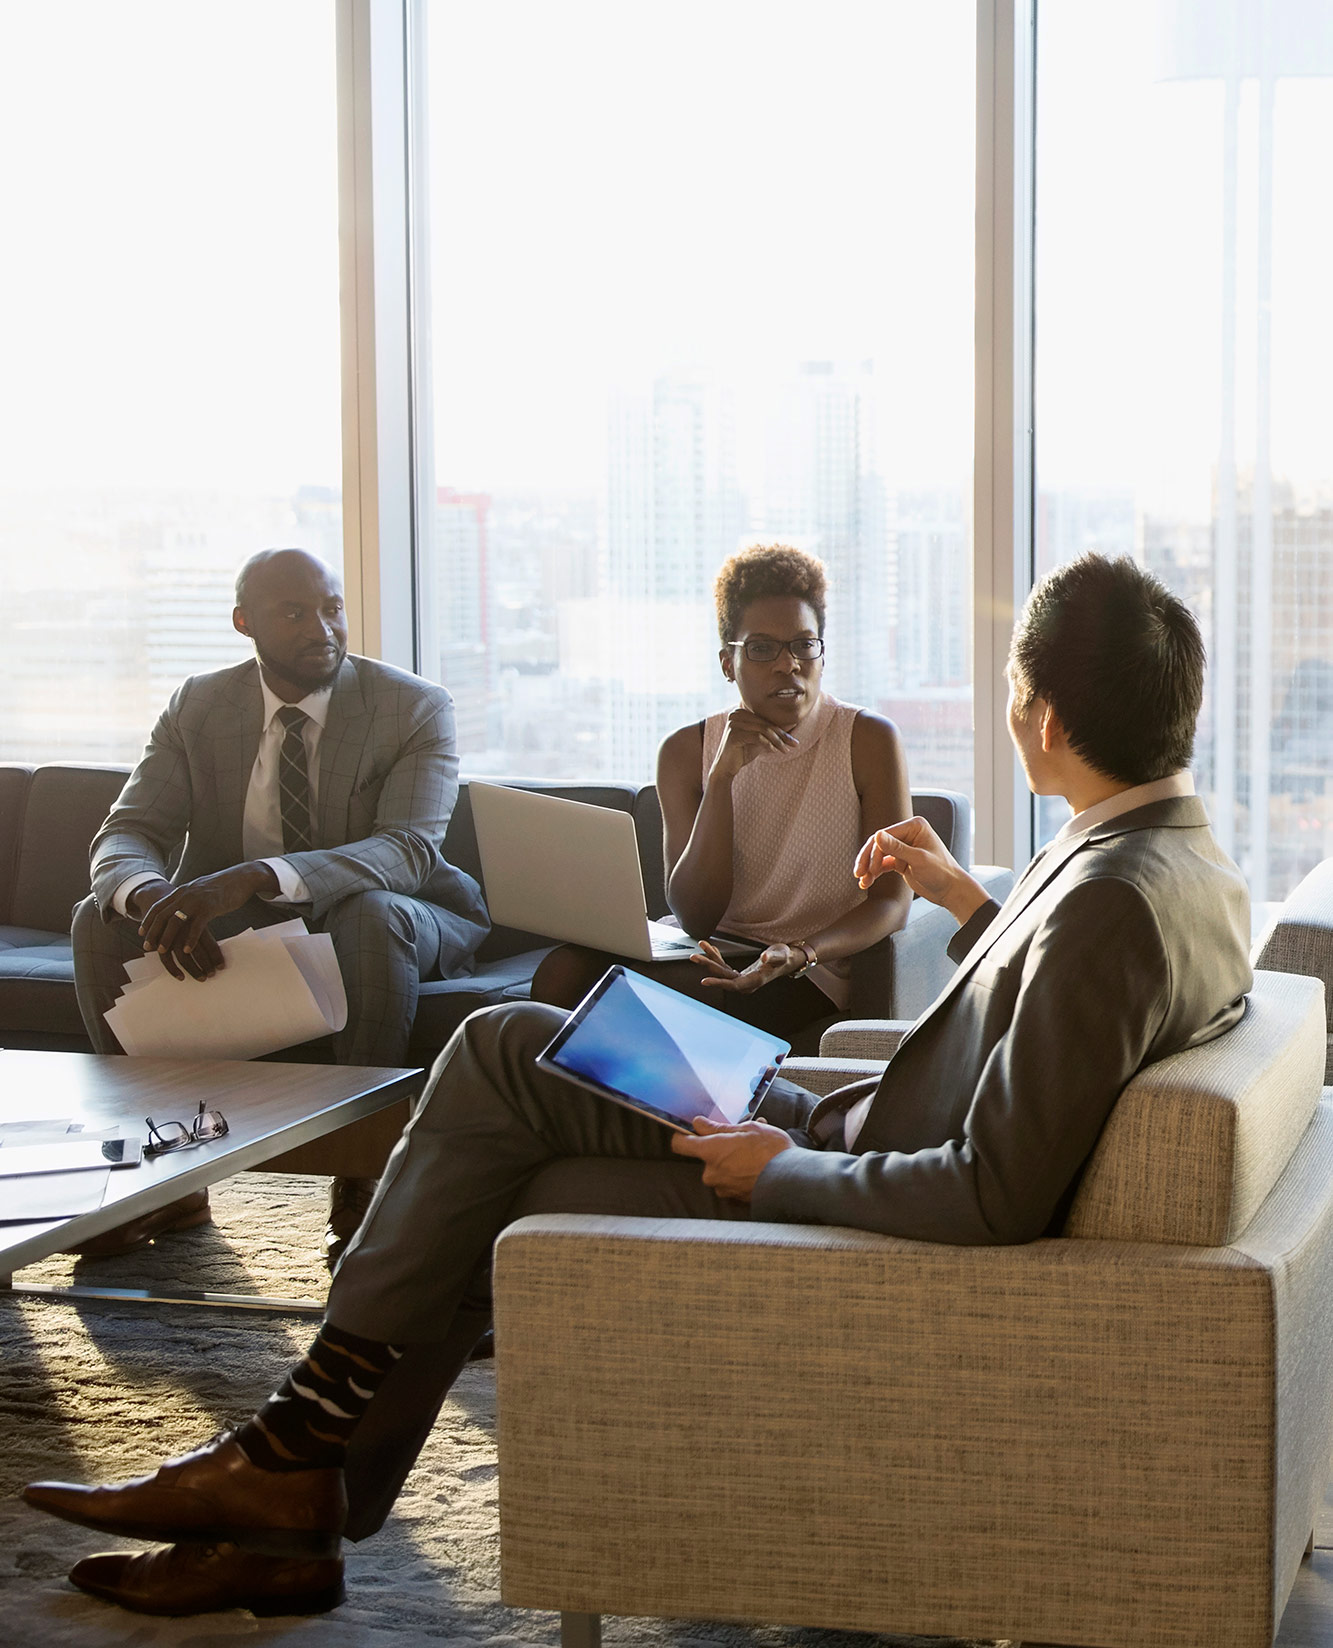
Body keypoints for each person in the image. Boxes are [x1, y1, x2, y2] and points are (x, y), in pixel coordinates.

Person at [26, 552, 1252, 1620]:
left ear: (1036, 712)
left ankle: (292, 1463)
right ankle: (295, 1483)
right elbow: (1050, 1019)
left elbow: (993, 1189)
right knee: (518, 1086)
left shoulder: (1107, 903)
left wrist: (787, 1167)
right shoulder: (1164, 858)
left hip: (831, 1170)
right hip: (817, 1115)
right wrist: (966, 902)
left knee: (504, 1072)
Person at [70, 547, 489, 1267]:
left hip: (407, 912)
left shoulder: (411, 706)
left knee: (371, 912)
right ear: (245, 623)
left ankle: (362, 1184)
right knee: (97, 919)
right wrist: (148, 896)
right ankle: (165, 1181)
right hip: (252, 923)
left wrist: (254, 878)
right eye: (294, 613)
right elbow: (130, 832)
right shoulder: (200, 704)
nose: (322, 628)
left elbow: (407, 849)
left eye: (332, 609)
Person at [532, 542, 912, 1040]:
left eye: (803, 644)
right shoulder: (686, 751)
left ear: (821, 652)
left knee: (636, 999)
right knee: (563, 971)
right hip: (707, 948)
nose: (787, 665)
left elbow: (891, 901)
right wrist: (723, 776)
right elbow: (695, 913)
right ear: (728, 662)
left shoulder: (867, 739)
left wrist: (800, 952)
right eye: (761, 648)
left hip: (805, 967)